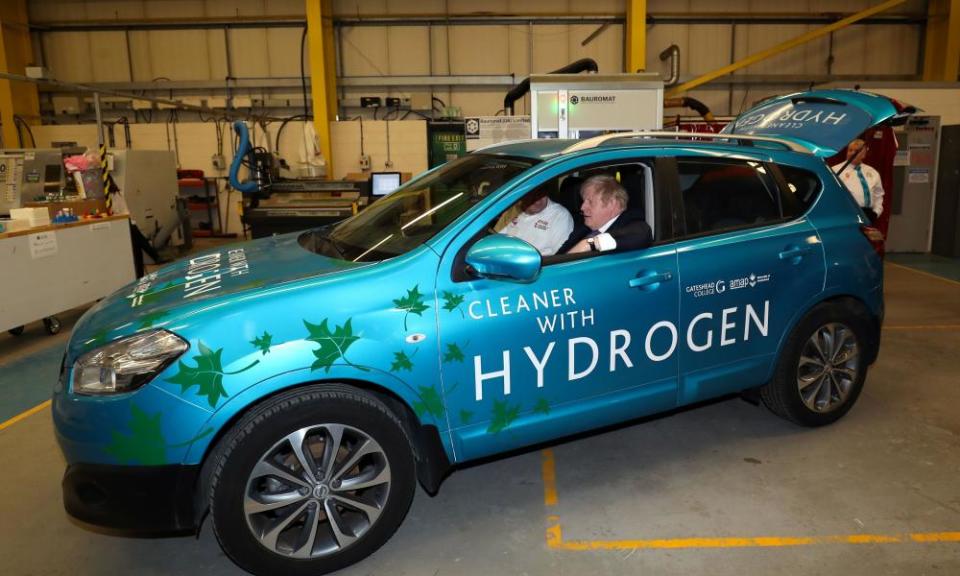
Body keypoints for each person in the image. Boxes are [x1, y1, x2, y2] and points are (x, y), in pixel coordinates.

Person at [558, 174, 652, 254]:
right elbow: (558, 258)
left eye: (590, 202)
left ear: (611, 204)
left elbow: (642, 234)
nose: (582, 207)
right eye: (583, 201)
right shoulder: (582, 227)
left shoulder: (631, 221)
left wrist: (589, 244)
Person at [496, 186, 574, 256]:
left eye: (541, 195)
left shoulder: (559, 215)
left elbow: (561, 256)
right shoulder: (512, 209)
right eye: (533, 195)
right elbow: (496, 240)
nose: (538, 201)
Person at [833, 139, 884, 222]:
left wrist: (876, 213)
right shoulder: (836, 171)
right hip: (846, 215)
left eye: (856, 151)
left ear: (864, 154)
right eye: (850, 150)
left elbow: (878, 195)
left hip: (868, 215)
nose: (852, 153)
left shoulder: (872, 172)